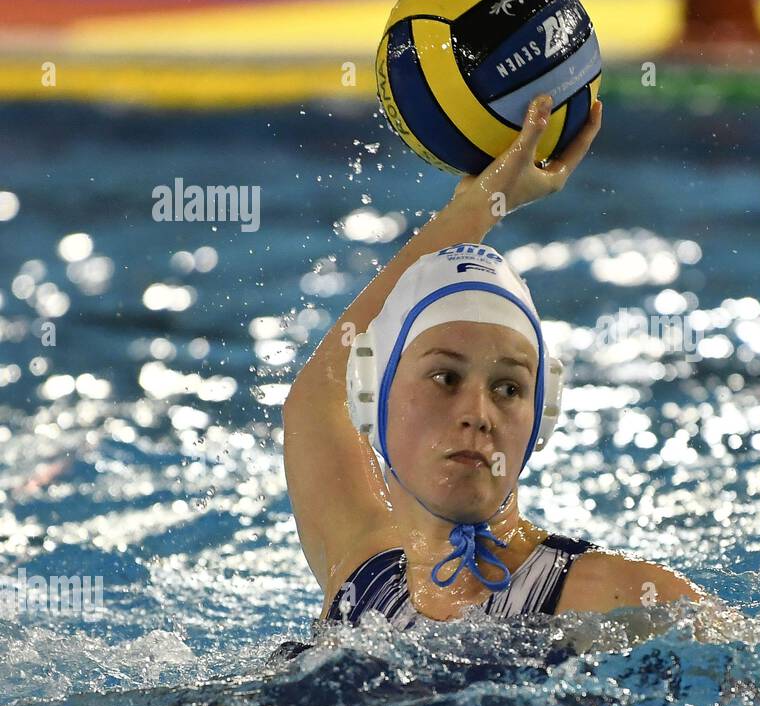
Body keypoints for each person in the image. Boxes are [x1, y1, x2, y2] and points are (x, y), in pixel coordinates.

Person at [282, 94, 706, 634]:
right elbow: (319, 395)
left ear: (543, 413)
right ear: (372, 392)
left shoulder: (620, 598)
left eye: (508, 387)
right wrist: (480, 206)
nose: (477, 414)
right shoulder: (362, 570)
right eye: (445, 377)